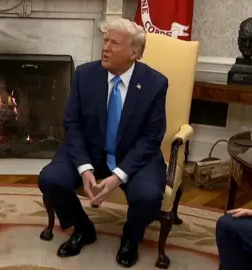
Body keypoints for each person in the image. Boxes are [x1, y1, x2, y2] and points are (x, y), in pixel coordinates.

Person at [38, 18, 168, 268]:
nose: (105, 47)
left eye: (114, 43)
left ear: (134, 53)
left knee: (150, 196)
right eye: (105, 40)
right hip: (89, 151)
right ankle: (83, 227)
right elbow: (72, 124)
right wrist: (84, 167)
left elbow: (151, 138)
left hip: (134, 156)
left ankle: (131, 237)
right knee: (50, 179)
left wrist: (119, 176)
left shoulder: (155, 84)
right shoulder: (85, 75)